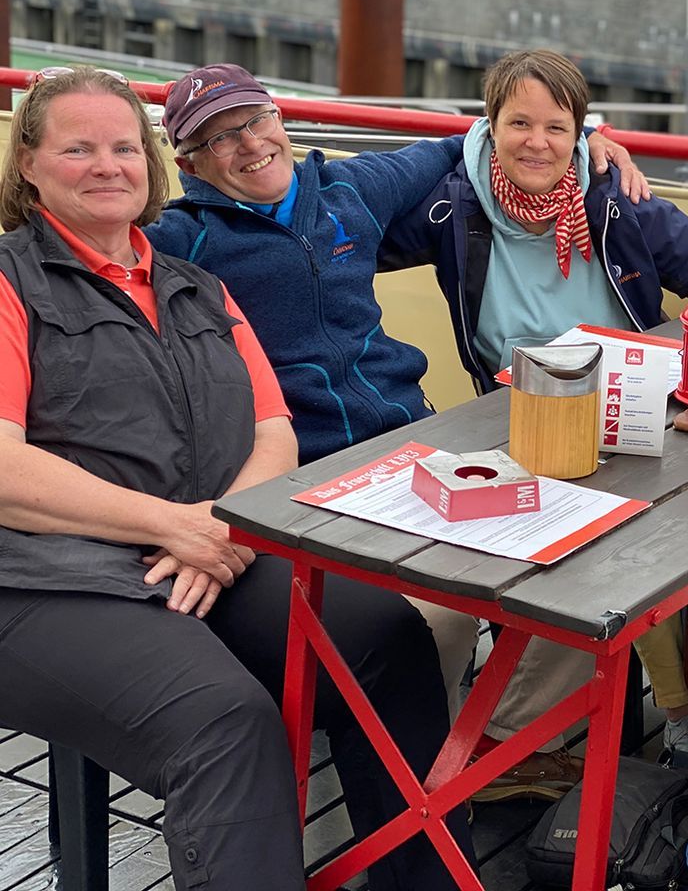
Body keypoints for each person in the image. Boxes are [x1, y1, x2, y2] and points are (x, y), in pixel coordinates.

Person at [0, 66, 472, 889]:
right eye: (78, 149)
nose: (107, 165)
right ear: (29, 166)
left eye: (123, 148)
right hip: (50, 576)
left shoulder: (196, 287)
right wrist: (174, 525)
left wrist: (221, 529)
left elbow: (273, 431)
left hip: (209, 548)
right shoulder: (10, 282)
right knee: (224, 721)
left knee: (387, 639)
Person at [148, 62, 647, 725]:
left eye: (257, 120)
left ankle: (500, 745)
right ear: (189, 163)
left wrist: (589, 140)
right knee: (434, 619)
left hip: (410, 440)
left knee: (582, 564)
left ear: (280, 119)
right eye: (220, 137)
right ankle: (427, 758)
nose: (250, 143)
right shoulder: (183, 239)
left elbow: (463, 143)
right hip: (301, 469)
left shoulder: (348, 187)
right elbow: (86, 254)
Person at [380, 48, 688, 800]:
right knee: (595, 550)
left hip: (630, 411)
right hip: (515, 418)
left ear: (581, 134)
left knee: (653, 534)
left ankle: (636, 716)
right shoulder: (453, 204)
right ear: (488, 127)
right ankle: (644, 718)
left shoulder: (614, 196)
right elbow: (346, 233)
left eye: (558, 127)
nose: (538, 143)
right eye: (518, 123)